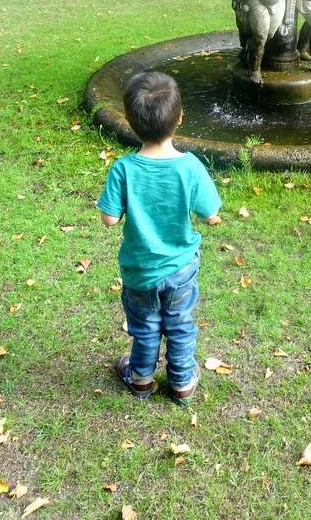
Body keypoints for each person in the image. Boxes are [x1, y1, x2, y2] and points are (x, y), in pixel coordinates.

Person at [97, 71, 222, 405]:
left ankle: (140, 379)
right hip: (181, 268)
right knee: (180, 323)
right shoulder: (191, 166)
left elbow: (109, 219)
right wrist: (213, 216)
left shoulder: (123, 169)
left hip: (139, 271)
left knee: (145, 326)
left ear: (131, 122)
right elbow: (210, 212)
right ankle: (182, 383)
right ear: (179, 118)